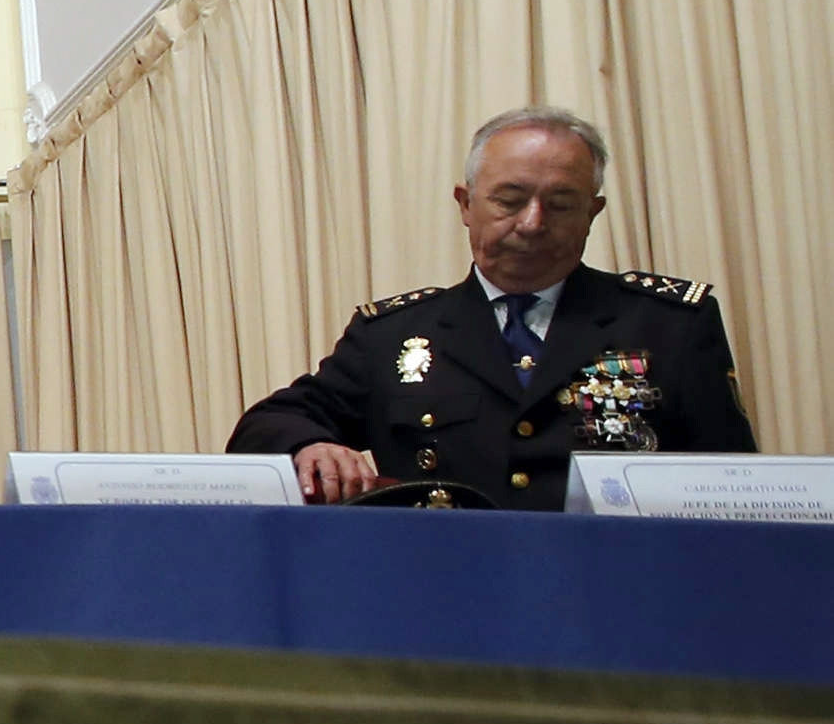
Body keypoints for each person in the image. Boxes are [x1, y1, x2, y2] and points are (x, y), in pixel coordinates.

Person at [230, 107, 754, 510]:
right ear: (465, 203)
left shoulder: (670, 324)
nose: (532, 222)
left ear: (593, 213)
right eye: (509, 199)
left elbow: (734, 487)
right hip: (448, 597)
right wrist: (311, 446)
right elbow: (268, 423)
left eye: (562, 203)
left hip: (618, 595)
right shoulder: (394, 335)